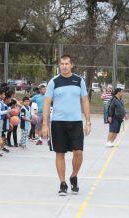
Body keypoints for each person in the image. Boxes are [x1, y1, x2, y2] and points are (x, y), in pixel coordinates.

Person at [41, 55, 92, 196]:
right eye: (62, 63)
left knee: (78, 152)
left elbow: (85, 101)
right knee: (60, 153)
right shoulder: (53, 82)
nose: (64, 66)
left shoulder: (79, 81)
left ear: (71, 65)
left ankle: (73, 176)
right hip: (58, 123)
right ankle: (63, 183)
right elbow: (46, 103)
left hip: (76, 122)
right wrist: (45, 124)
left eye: (67, 63)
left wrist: (88, 121)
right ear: (59, 65)